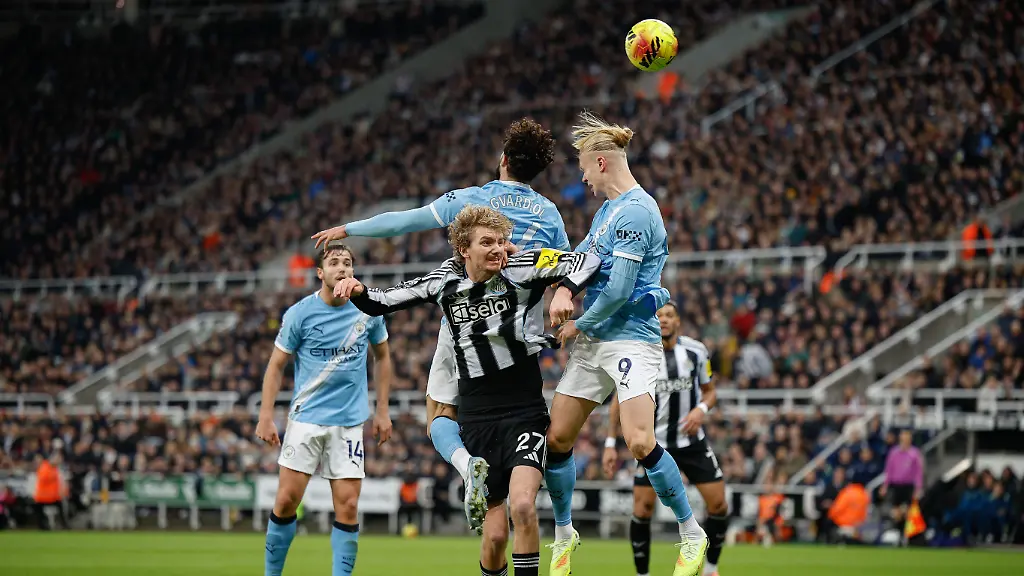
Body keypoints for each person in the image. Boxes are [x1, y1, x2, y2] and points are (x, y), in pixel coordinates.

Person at [311, 118, 567, 533]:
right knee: (531, 430)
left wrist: (350, 229)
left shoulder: (472, 200)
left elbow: (405, 221)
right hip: (521, 332)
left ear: (502, 159)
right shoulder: (551, 213)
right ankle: (560, 522)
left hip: (464, 325)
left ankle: (469, 470)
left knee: (440, 413)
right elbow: (563, 272)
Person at [334, 205, 600, 576]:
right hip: (477, 415)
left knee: (522, 506)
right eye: (487, 242)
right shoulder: (444, 281)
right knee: (493, 539)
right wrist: (358, 290)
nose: (498, 249)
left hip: (524, 409)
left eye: (501, 241)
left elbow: (588, 260)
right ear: (463, 249)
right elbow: (384, 301)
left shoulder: (525, 266)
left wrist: (565, 292)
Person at [545, 111, 707, 576]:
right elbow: (584, 261)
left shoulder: (637, 211)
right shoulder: (606, 213)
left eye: (581, 166)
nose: (580, 176)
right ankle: (563, 534)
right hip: (596, 341)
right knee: (557, 438)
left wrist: (578, 323)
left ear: (600, 163)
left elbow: (618, 288)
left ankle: (691, 533)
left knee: (639, 441)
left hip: (631, 341)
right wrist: (563, 289)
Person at [255, 242, 394, 576]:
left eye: (347, 262)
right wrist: (265, 415)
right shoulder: (300, 314)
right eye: (334, 263)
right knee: (287, 500)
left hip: (348, 424)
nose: (342, 268)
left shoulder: (368, 309)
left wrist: (382, 411)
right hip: (306, 421)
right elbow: (276, 366)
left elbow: (384, 357)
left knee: (347, 506)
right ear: (321, 273)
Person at [603, 302, 728, 576]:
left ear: (678, 321)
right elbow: (618, 402)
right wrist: (611, 444)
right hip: (653, 446)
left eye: (669, 315)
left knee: (719, 504)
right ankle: (642, 573)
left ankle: (711, 567)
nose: (664, 320)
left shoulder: (695, 351)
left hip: (691, 443)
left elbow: (710, 391)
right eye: (659, 315)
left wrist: (701, 409)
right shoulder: (640, 353)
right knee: (642, 509)